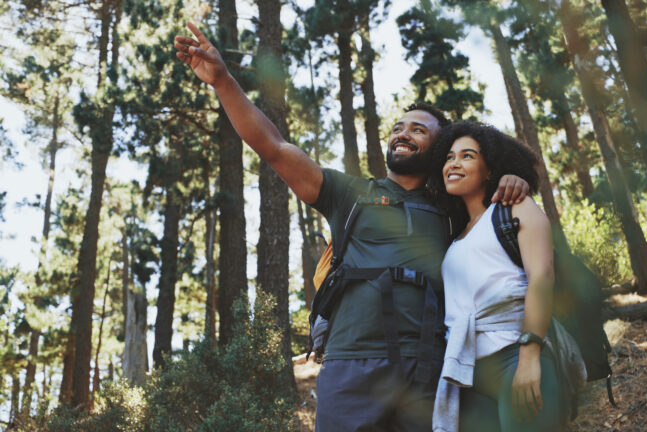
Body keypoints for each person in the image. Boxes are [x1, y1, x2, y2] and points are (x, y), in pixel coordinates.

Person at [173, 22, 530, 432]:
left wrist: (512, 180)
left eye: (418, 130)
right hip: (351, 361)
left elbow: (499, 227)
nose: (403, 134)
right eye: (399, 127)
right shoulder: (349, 193)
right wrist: (222, 81)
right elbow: (273, 146)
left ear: (439, 149)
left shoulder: (452, 206)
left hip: (427, 366)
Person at [428, 122, 565, 432]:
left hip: (514, 356)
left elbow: (542, 276)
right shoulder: (456, 235)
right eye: (449, 157)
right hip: (468, 375)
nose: (454, 163)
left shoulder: (514, 208)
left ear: (489, 170)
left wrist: (529, 357)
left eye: (467, 156)